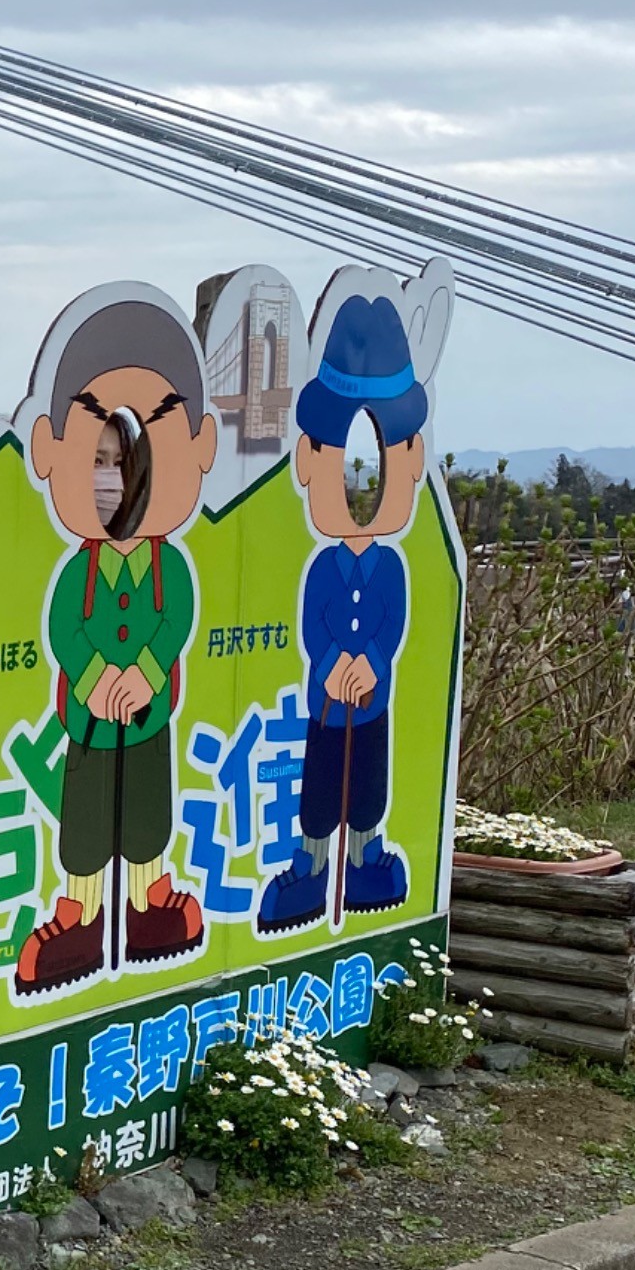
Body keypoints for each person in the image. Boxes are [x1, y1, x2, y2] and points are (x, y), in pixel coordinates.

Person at [15, 297, 218, 995]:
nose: (107, 476)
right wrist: (99, 673)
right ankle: (80, 913)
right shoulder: (82, 566)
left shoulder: (167, 563)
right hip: (89, 719)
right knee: (88, 814)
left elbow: (176, 619)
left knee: (146, 812)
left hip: (149, 717)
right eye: (93, 458)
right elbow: (65, 628)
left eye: (119, 460)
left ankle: (147, 900)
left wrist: (149, 674)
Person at [258, 290, 426, 929]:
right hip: (326, 700)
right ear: (309, 461)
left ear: (408, 463)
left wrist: (371, 663)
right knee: (322, 784)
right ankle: (312, 863)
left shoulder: (391, 567)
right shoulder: (325, 565)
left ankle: (365, 859)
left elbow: (393, 623)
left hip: (372, 699)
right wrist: (332, 662)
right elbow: (314, 620)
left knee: (368, 784)